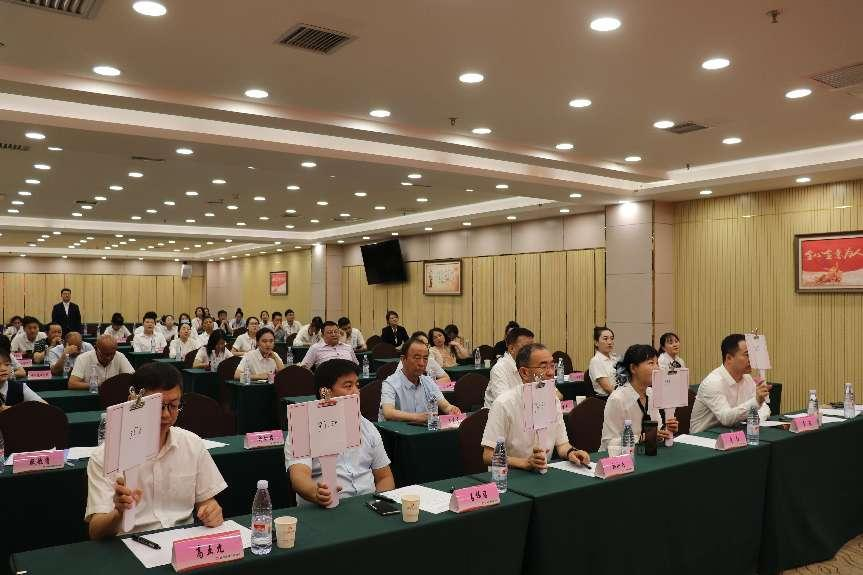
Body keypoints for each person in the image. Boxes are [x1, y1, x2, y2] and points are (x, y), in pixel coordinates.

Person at [85, 363, 226, 538]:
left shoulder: (192, 444)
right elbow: (96, 532)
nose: (166, 415)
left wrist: (211, 510)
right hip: (132, 543)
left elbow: (207, 501)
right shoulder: (105, 456)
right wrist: (119, 513)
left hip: (182, 540)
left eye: (173, 405)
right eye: (157, 406)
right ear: (133, 402)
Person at [285, 359, 394, 507]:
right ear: (325, 392)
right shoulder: (302, 426)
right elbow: (299, 477)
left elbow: (384, 477)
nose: (356, 392)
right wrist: (316, 492)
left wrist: (379, 503)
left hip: (368, 505)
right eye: (348, 386)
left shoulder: (366, 426)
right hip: (324, 508)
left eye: (357, 385)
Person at [481, 343, 591, 472]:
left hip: (542, 472)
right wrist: (524, 463)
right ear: (524, 372)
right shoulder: (504, 403)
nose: (551, 373)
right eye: (543, 367)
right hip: (512, 474)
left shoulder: (553, 400)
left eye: (552, 366)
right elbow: (488, 456)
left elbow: (562, 445)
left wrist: (571, 452)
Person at [600, 344, 680, 452]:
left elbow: (657, 430)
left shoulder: (651, 393)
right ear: (633, 368)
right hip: (619, 457)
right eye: (651, 363)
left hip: (646, 452)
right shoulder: (617, 399)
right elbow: (609, 442)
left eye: (657, 363)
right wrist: (642, 438)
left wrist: (667, 430)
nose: (657, 368)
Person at [690, 334, 771, 433]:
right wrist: (756, 402)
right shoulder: (713, 383)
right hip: (704, 437)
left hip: (731, 433)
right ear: (729, 358)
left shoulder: (747, 378)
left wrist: (754, 419)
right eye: (747, 355)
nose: (752, 359)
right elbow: (726, 418)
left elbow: (763, 408)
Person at [379, 337, 462, 422]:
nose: (422, 363)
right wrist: (418, 417)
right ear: (403, 359)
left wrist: (452, 409)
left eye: (425, 358)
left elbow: (445, 406)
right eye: (417, 358)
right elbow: (388, 412)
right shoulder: (390, 383)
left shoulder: (428, 381)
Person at [484, 327, 534, 409]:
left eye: (532, 348)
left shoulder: (531, 365)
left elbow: (551, 393)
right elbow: (504, 403)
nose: (531, 352)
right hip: (498, 415)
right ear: (511, 349)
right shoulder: (499, 369)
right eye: (526, 348)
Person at [68, 335, 135, 390]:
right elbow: (72, 384)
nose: (109, 358)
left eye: (112, 354)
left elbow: (133, 378)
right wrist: (98, 385)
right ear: (96, 349)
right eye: (105, 354)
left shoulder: (119, 356)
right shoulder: (82, 358)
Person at [589, 326, 618, 397]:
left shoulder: (615, 359)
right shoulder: (596, 361)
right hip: (607, 399)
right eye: (605, 339)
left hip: (619, 395)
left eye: (611, 339)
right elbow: (608, 389)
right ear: (596, 343)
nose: (610, 342)